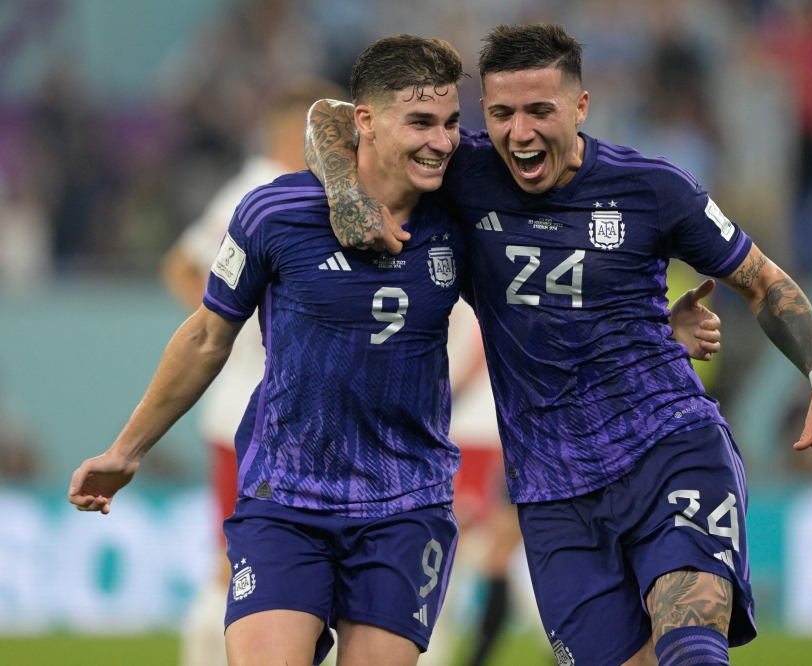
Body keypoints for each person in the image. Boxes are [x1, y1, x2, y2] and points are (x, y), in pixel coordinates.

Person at [68, 34, 721, 666]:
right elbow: (208, 335)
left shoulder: (461, 217)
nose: (442, 142)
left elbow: (545, 305)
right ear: (367, 124)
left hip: (405, 507)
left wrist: (654, 334)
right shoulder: (274, 213)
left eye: (448, 123)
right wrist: (126, 450)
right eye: (420, 123)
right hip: (285, 497)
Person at [305, 23, 812, 666]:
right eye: (502, 113)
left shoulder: (653, 190)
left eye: (540, 110)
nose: (520, 133)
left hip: (668, 451)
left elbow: (763, 282)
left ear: (581, 106)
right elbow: (334, 116)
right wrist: (347, 197)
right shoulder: (465, 173)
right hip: (552, 494)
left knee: (691, 648)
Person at [161, 78, 344, 666]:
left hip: (272, 410)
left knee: (258, 556)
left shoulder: (282, 189)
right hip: (251, 406)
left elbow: (186, 263)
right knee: (237, 556)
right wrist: (228, 324)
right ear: (303, 134)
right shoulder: (260, 187)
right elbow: (182, 266)